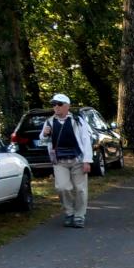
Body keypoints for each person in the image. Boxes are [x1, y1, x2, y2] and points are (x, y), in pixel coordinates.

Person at [39, 93, 92, 228]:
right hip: (60, 161)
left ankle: (79, 216)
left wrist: (87, 161)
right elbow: (43, 140)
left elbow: (86, 141)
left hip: (77, 159)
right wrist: (44, 134)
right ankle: (69, 213)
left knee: (80, 189)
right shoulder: (49, 121)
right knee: (62, 187)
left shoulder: (77, 120)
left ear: (67, 106)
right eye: (54, 104)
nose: (56, 107)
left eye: (59, 104)